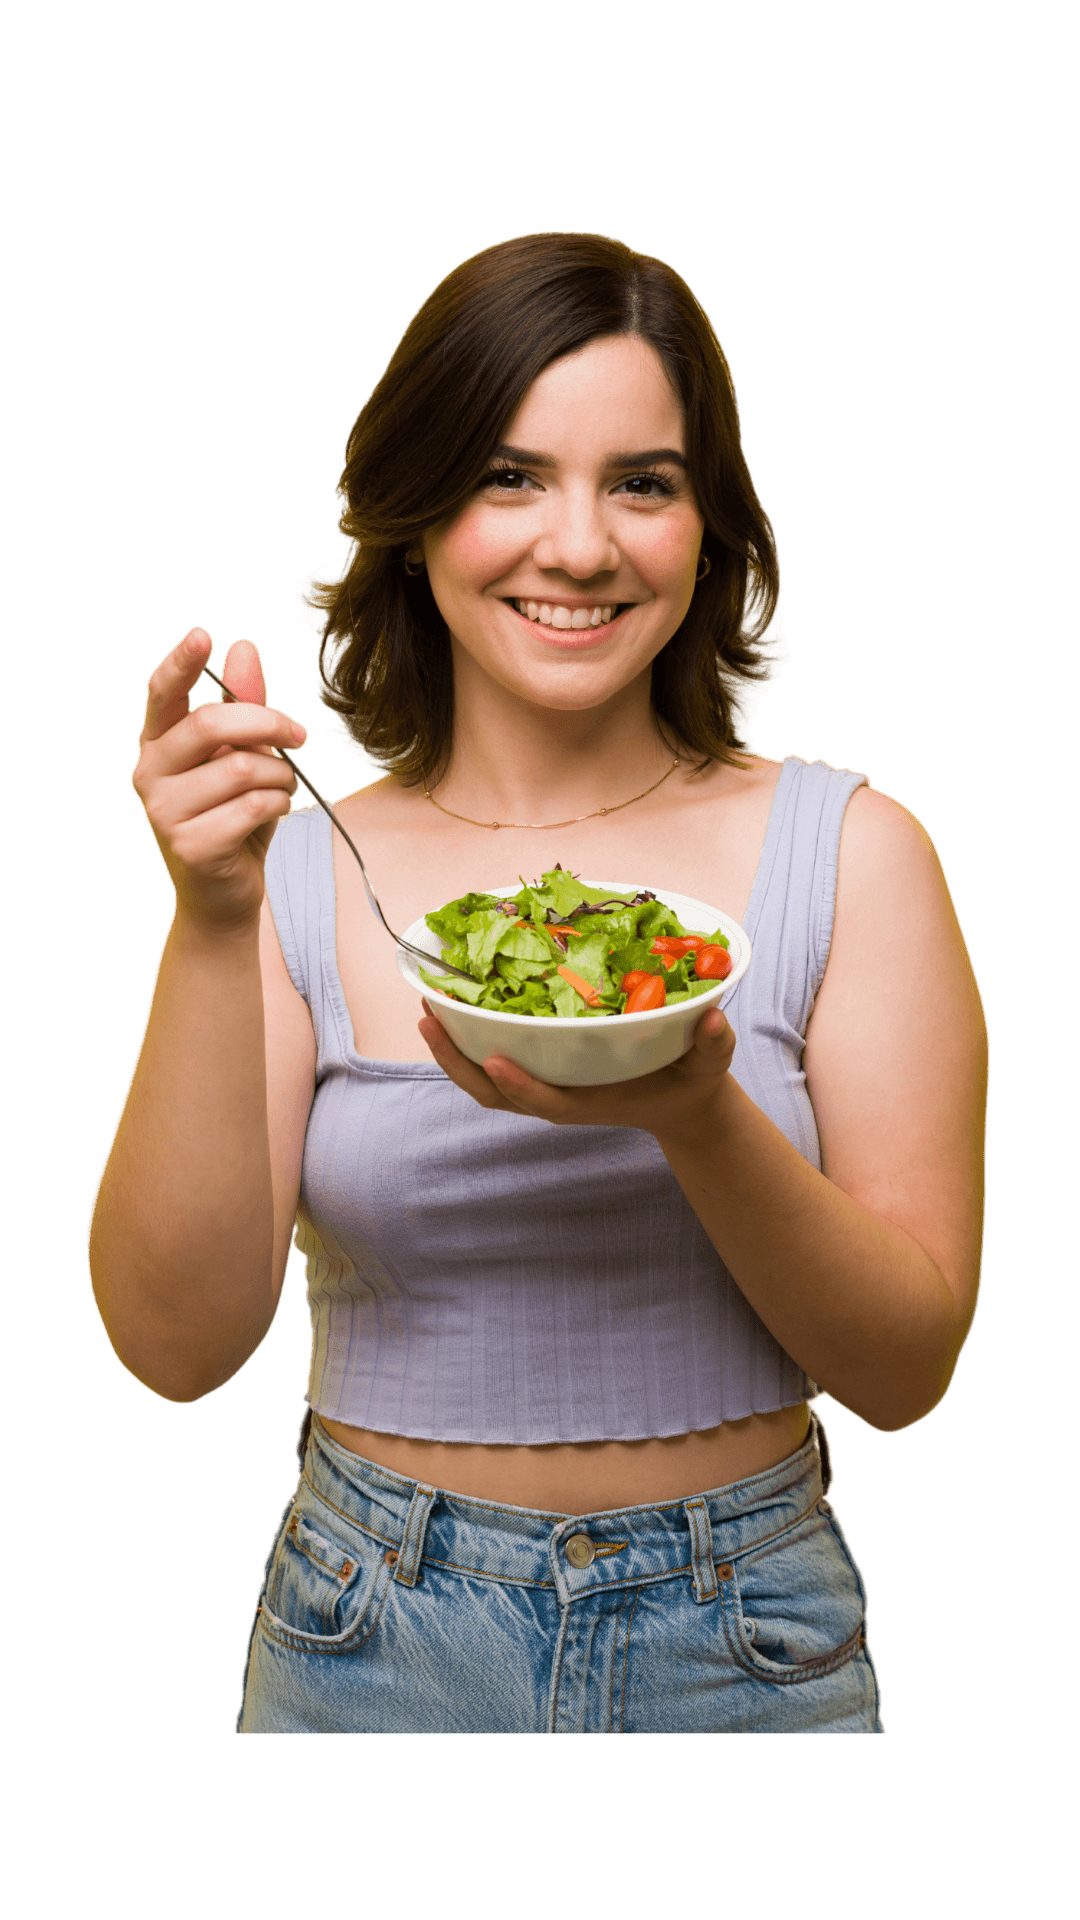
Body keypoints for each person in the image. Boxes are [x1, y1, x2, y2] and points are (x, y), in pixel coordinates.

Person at [88, 231, 988, 1735]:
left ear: (710, 525)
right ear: (417, 511)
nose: (578, 545)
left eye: (643, 481)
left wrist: (697, 1116)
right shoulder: (300, 872)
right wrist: (208, 916)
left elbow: (907, 1374)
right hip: (364, 1628)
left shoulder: (856, 855)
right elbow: (174, 1350)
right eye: (510, 476)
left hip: (748, 1641)